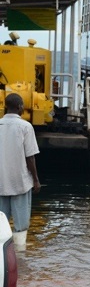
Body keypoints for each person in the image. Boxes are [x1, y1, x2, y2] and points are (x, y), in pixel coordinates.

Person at [0, 93, 41, 248]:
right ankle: (20, 253)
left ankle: (2, 254)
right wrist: (36, 180)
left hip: (1, 181)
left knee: (1, 222)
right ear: (19, 107)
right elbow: (30, 157)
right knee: (21, 224)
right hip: (20, 182)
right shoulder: (25, 127)